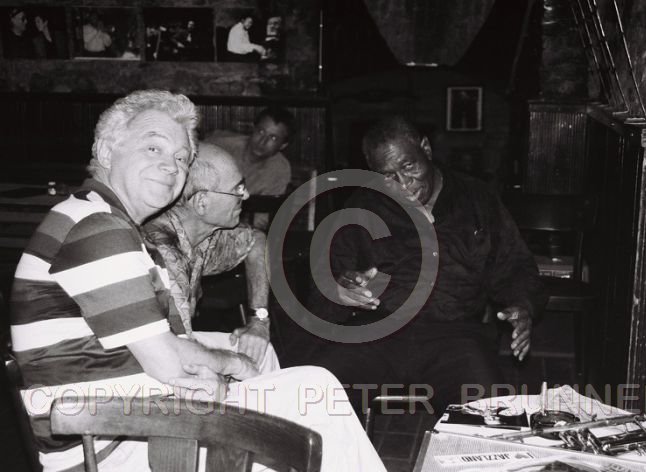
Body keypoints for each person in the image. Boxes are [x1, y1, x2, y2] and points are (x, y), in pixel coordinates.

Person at [9, 90, 386, 472]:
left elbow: (165, 346)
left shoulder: (99, 219)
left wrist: (213, 369)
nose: (171, 167)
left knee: (305, 401)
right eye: (153, 148)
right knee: (314, 392)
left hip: (132, 422)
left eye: (180, 158)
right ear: (107, 152)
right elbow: (169, 363)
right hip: (111, 442)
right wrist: (231, 367)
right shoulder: (98, 229)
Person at [308, 115, 545, 416]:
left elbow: (515, 266)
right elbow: (323, 291)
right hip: (375, 333)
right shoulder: (361, 208)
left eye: (409, 166)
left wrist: (523, 306)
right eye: (388, 176)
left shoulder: (476, 199)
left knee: (488, 414)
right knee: (312, 395)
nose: (403, 184)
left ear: (426, 149)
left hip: (457, 336)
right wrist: (341, 292)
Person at [142, 142, 277, 372]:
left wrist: (259, 320)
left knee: (262, 351)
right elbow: (173, 358)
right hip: (134, 368)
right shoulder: (164, 257)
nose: (246, 195)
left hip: (176, 345)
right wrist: (236, 367)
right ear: (202, 203)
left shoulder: (199, 234)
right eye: (237, 188)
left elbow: (256, 240)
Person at [205, 106, 293, 230]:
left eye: (273, 138)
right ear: (253, 128)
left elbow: (260, 219)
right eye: (261, 131)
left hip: (240, 228)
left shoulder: (279, 169)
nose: (262, 141)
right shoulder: (220, 146)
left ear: (283, 145)